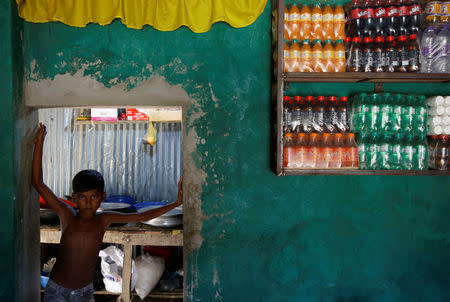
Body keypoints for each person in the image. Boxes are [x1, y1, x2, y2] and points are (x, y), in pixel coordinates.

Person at [32, 123, 183, 302]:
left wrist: (176, 202)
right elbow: (38, 183)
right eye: (82, 197)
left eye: (94, 196)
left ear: (102, 196)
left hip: (84, 293)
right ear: (73, 197)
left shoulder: (103, 220)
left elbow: (142, 216)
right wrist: (40, 142)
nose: (88, 202)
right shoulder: (66, 214)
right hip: (58, 291)